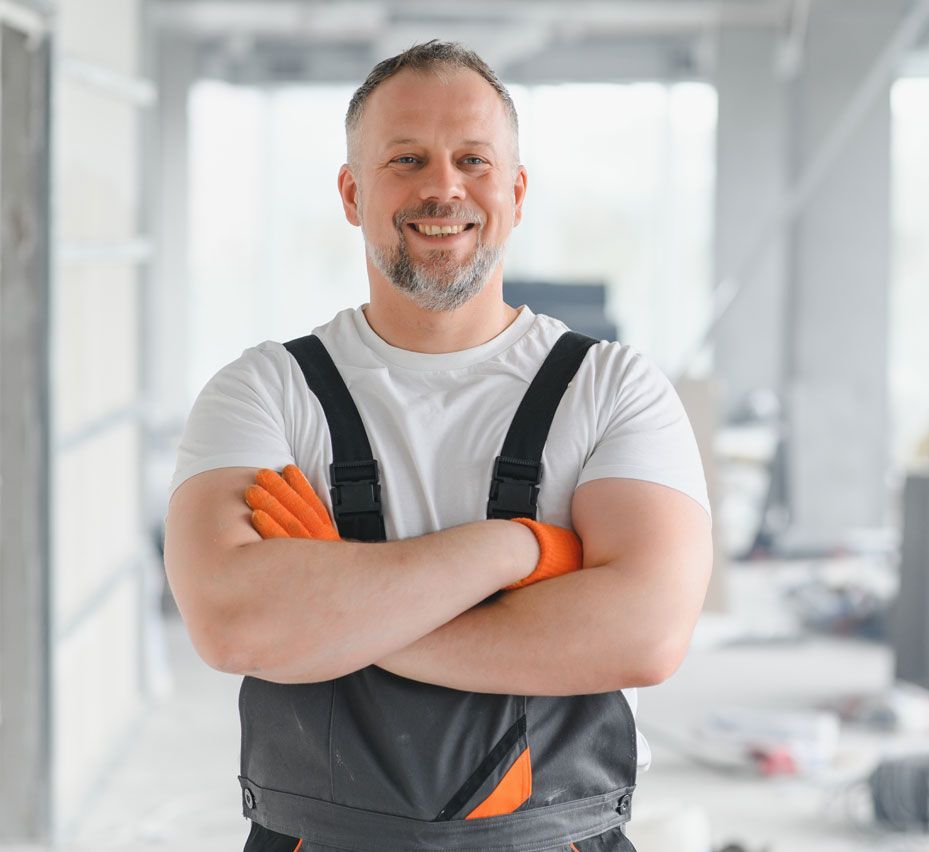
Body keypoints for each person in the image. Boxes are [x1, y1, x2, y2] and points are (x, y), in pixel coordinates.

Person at [163, 41, 712, 852]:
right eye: (407, 158)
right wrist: (515, 551)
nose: (443, 186)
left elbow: (644, 634)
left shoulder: (612, 389)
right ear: (353, 193)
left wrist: (338, 615)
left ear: (516, 193)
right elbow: (236, 625)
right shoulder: (264, 393)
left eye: (473, 159)